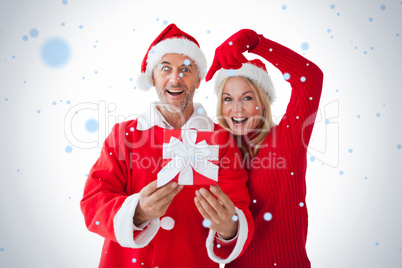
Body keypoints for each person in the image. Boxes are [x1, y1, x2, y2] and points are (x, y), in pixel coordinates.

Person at [80, 24, 254, 268]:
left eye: (186, 69)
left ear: (198, 79)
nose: (176, 78)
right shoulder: (124, 135)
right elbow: (93, 201)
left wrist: (229, 227)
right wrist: (137, 211)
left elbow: (240, 208)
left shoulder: (222, 140)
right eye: (166, 68)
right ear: (153, 77)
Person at [206, 29, 323, 267]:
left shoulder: (287, 138)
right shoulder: (216, 149)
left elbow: (311, 78)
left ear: (263, 101)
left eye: (247, 98)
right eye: (228, 98)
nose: (236, 108)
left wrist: (256, 42)